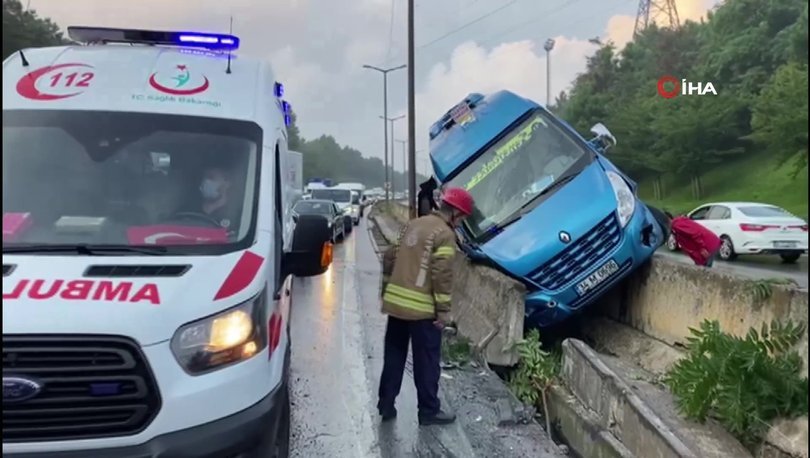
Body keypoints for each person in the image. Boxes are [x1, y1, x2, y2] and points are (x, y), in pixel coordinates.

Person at [377, 187, 474, 426]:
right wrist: (443, 312)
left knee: (394, 355)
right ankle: (429, 411)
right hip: (423, 310)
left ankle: (386, 404)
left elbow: (389, 257)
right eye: (462, 218)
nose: (461, 223)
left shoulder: (413, 224)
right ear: (456, 214)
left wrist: (386, 293)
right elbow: (441, 275)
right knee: (427, 360)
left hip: (397, 306)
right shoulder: (445, 234)